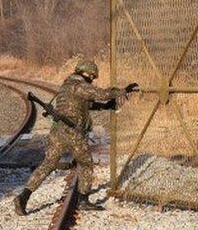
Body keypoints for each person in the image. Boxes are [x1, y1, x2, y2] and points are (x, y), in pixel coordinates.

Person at [14, 60, 137, 215]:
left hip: (57, 131)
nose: (92, 79)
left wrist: (106, 106)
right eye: (92, 76)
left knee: (48, 164)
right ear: (86, 73)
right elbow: (102, 94)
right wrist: (123, 90)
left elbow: (85, 105)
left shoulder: (66, 86)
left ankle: (23, 197)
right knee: (85, 163)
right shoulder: (79, 86)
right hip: (73, 133)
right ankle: (83, 200)